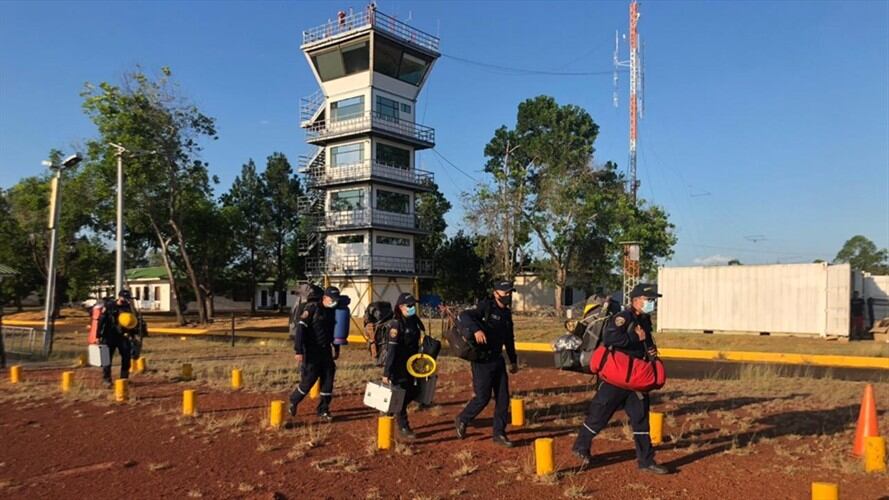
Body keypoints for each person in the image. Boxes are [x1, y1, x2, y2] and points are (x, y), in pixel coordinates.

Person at [572, 283, 670, 475]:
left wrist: (651, 353)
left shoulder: (645, 320)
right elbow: (611, 340)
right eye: (648, 300)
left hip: (637, 378)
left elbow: (646, 343)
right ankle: (581, 446)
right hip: (616, 377)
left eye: (653, 300)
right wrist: (637, 339)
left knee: (641, 420)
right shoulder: (622, 318)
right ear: (635, 300)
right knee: (599, 416)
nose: (652, 303)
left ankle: (646, 461)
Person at [455, 280, 519, 448]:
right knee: (483, 398)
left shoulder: (506, 313)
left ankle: (499, 433)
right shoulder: (485, 306)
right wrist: (476, 330)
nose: (508, 296)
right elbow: (463, 316)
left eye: (510, 293)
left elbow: (509, 339)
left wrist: (513, 360)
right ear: (496, 293)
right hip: (482, 361)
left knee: (503, 399)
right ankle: (463, 418)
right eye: (505, 293)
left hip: (498, 360)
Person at [288, 286, 340, 422]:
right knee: (309, 380)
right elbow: (300, 329)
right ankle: (293, 401)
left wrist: (336, 347)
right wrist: (298, 350)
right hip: (311, 351)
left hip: (325, 351)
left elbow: (332, 331)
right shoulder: (312, 308)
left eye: (336, 300)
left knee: (328, 380)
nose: (334, 302)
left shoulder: (332, 312)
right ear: (324, 298)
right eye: (332, 299)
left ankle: (323, 409)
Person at [382, 292, 425, 439]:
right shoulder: (396, 324)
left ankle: (392, 408)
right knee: (400, 394)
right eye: (410, 305)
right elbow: (392, 351)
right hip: (398, 365)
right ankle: (404, 426)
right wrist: (387, 373)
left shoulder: (414, 322)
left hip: (411, 364)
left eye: (414, 305)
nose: (412, 308)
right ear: (400, 307)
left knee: (414, 391)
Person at [97, 290, 140, 388]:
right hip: (108, 336)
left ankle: (124, 379)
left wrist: (133, 336)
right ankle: (106, 380)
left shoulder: (128, 307)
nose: (126, 300)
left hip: (123, 336)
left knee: (126, 357)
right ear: (119, 297)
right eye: (124, 298)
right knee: (106, 359)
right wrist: (98, 335)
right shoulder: (109, 306)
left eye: (127, 298)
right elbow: (101, 321)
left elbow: (132, 323)